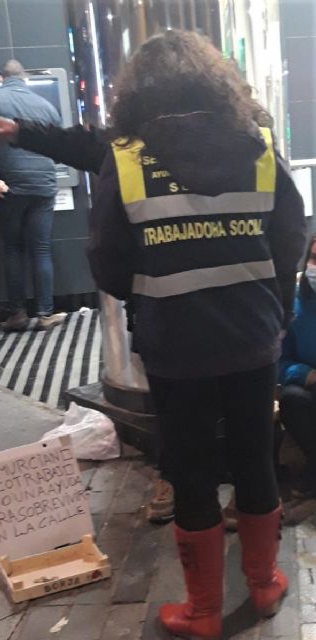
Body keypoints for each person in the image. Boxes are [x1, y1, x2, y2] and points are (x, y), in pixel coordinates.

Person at [86, 30, 306, 639]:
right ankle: (263, 587)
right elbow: (291, 233)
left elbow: (105, 254)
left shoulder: (128, 154)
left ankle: (204, 612)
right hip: (251, 333)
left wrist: (152, 289)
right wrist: (272, 303)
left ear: (140, 90)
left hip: (174, 341)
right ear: (215, 80)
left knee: (191, 468)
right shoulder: (257, 142)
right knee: (256, 456)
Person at [0, 115, 175, 525]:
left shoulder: (138, 143)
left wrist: (127, 293)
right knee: (231, 409)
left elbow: (104, 243)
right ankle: (230, 501)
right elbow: (287, 234)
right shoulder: (141, 144)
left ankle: (177, 481)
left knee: (174, 404)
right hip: (230, 314)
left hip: (173, 314)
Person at [0, 60, 66, 332]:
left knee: (13, 248)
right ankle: (45, 314)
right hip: (44, 184)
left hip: (9, 185)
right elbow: (59, 142)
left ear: (0, 78)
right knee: (41, 248)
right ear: (25, 79)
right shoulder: (45, 105)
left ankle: (18, 314)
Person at [279, 233, 316, 499]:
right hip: (311, 385)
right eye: (315, 258)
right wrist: (306, 374)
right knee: (292, 399)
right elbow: (279, 361)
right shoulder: (294, 303)